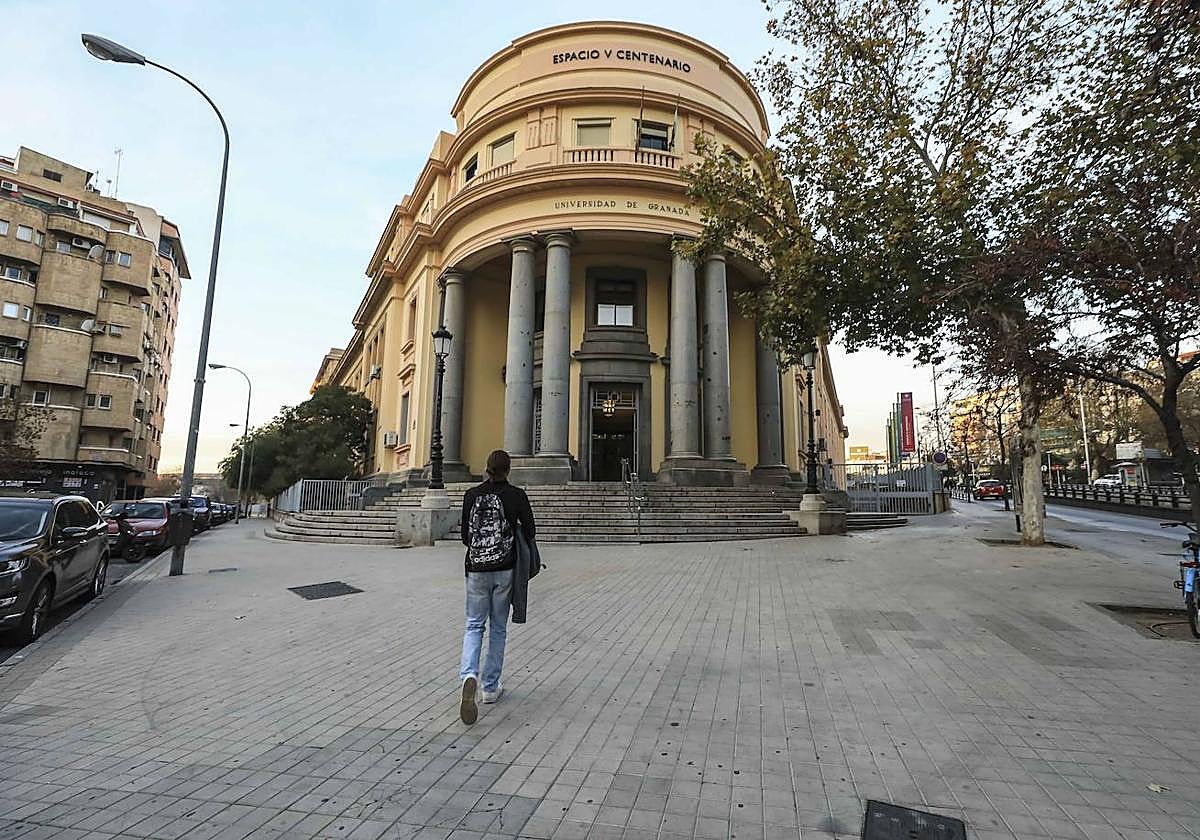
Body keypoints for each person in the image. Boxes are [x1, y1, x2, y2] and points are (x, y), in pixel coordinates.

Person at [457, 449, 535, 725]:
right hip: (504, 569)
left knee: (473, 625)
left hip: (476, 569)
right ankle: (490, 688)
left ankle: (469, 675)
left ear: (487, 468)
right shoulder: (516, 495)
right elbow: (530, 530)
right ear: (508, 469)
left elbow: (466, 535)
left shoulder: (471, 495)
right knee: (498, 627)